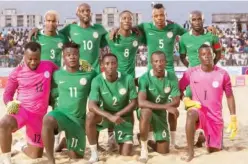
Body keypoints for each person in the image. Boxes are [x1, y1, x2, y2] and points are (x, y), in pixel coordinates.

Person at [0, 42, 58, 164]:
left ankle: (19, 145)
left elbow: (64, 75)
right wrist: (9, 103)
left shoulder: (48, 66)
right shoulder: (17, 72)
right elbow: (7, 94)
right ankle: (6, 159)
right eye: (29, 59)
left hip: (39, 117)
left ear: (40, 56)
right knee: (4, 123)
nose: (33, 62)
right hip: (22, 111)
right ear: (24, 57)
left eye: (36, 59)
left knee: (36, 154)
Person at [179, 44, 237, 162]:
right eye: (203, 54)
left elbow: (230, 96)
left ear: (213, 55)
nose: (207, 56)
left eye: (209, 53)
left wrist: (233, 117)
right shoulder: (191, 72)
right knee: (190, 114)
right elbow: (178, 88)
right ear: (199, 57)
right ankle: (191, 152)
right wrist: (185, 99)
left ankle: (203, 138)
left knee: (213, 150)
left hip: (214, 116)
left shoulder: (223, 74)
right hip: (198, 111)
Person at [42, 42, 96, 164]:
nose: (72, 57)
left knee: (75, 158)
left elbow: (103, 81)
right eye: (68, 55)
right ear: (63, 57)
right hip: (61, 115)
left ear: (79, 56)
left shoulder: (90, 74)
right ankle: (51, 160)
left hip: (78, 121)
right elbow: (49, 93)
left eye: (75, 54)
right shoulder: (57, 75)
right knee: (47, 120)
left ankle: (64, 142)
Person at [179, 10, 222, 146]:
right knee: (191, 107)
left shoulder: (212, 36)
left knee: (209, 107)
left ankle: (205, 134)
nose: (197, 22)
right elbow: (182, 56)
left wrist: (211, 68)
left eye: (199, 19)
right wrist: (192, 69)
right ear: (190, 22)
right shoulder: (184, 38)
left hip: (209, 79)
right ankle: (197, 135)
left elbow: (219, 53)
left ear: (203, 20)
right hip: (193, 80)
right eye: (194, 20)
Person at [86, 53, 137, 163]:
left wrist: (117, 115)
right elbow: (91, 105)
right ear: (102, 66)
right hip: (106, 116)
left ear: (117, 65)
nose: (110, 66)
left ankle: (119, 138)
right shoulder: (97, 80)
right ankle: (94, 153)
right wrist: (109, 116)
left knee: (126, 154)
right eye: (107, 64)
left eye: (113, 63)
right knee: (90, 116)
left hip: (122, 117)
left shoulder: (127, 78)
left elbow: (134, 103)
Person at [29, 3, 107, 73]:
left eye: (88, 11)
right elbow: (53, 32)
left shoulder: (99, 28)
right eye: (82, 11)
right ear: (77, 14)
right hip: (78, 70)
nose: (86, 13)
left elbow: (110, 39)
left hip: (95, 70)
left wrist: (116, 29)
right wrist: (37, 30)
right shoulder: (70, 28)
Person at [138, 51, 180, 162]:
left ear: (166, 62)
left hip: (160, 114)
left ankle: (147, 139)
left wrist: (167, 107)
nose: (159, 64)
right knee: (146, 112)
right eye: (156, 61)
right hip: (147, 111)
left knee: (164, 151)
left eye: (161, 61)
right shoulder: (144, 78)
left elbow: (176, 101)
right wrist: (166, 107)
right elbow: (141, 102)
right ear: (151, 63)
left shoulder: (172, 77)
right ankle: (143, 149)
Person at [105, 10, 144, 78]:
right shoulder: (111, 37)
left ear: (132, 22)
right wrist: (115, 29)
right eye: (124, 18)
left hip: (131, 78)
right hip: (116, 78)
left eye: (130, 19)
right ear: (120, 21)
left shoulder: (138, 37)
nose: (127, 20)